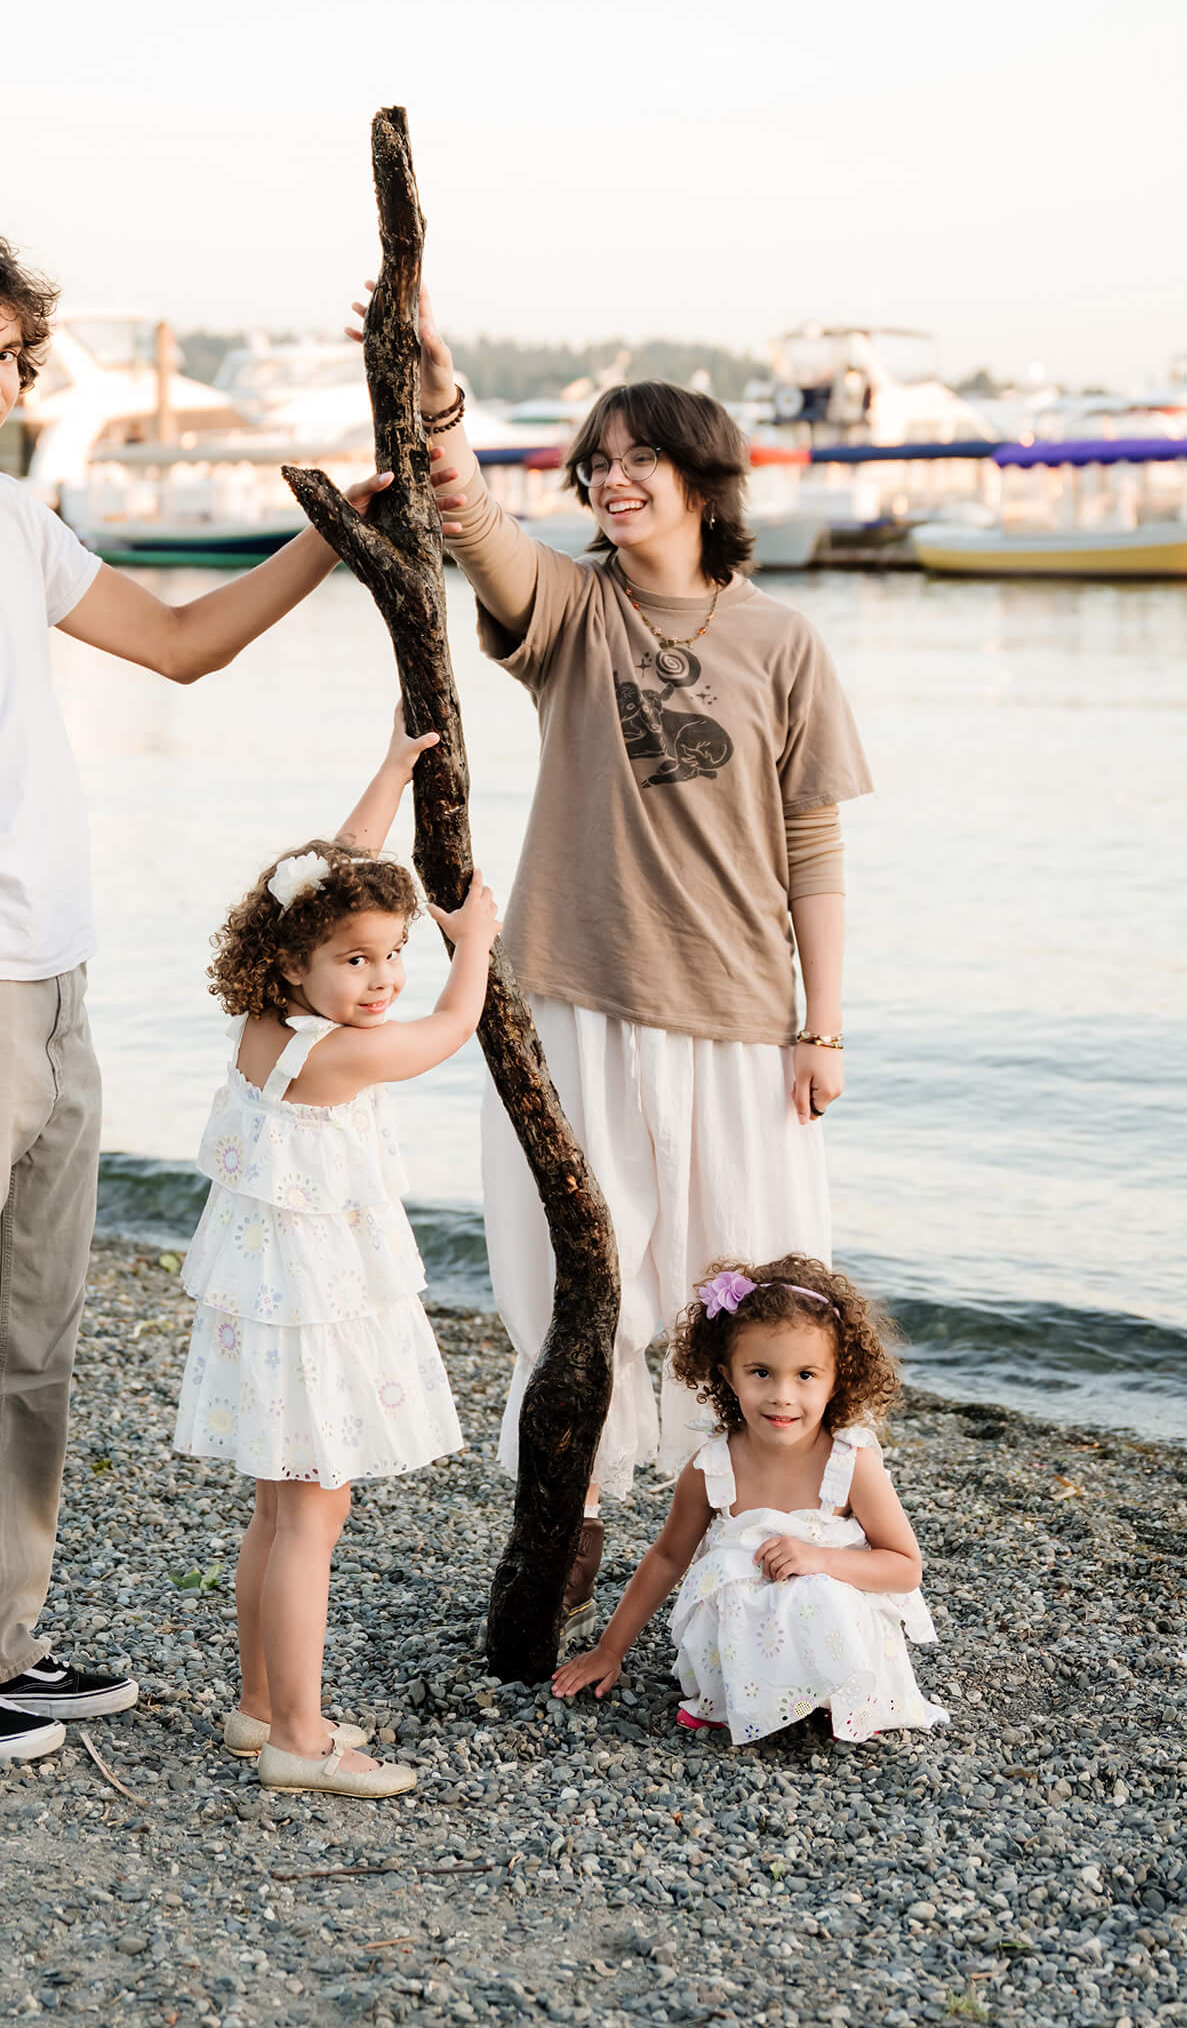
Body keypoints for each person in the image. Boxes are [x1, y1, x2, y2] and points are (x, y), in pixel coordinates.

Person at [0, 226, 396, 1768]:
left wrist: (331, 539)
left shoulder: (10, 520)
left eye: (8, 355)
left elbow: (175, 646)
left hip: (53, 979)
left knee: (28, 1338)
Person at [358, 281, 873, 1634]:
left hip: (738, 1014)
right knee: (568, 1287)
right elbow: (465, 516)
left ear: (703, 477)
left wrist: (823, 1028)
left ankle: (770, 1559)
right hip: (571, 1002)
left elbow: (810, 850)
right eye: (593, 461)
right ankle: (568, 1526)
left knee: (755, 1298)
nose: (606, 477)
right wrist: (435, 385)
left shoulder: (782, 642)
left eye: (635, 457)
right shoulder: (573, 618)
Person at [174, 707, 498, 1799]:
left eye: (396, 954)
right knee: (313, 1506)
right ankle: (301, 1741)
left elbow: (338, 867)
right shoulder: (343, 1057)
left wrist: (394, 770)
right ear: (294, 959)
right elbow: (450, 1031)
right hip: (308, 1301)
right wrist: (476, 945)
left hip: (269, 1294)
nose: (382, 977)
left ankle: (260, 1702)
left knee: (282, 1504)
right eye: (356, 959)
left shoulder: (267, 1024)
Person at [552, 1255, 946, 1745]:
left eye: (805, 1375)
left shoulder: (850, 1463)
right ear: (727, 1374)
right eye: (761, 1372)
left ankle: (827, 1698)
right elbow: (668, 1557)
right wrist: (610, 1650)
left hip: (834, 1631)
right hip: (739, 1635)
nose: (782, 1395)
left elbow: (905, 1567)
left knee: (811, 1587)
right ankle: (729, 1695)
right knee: (729, 1573)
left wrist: (819, 1558)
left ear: (837, 1378)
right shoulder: (711, 1466)